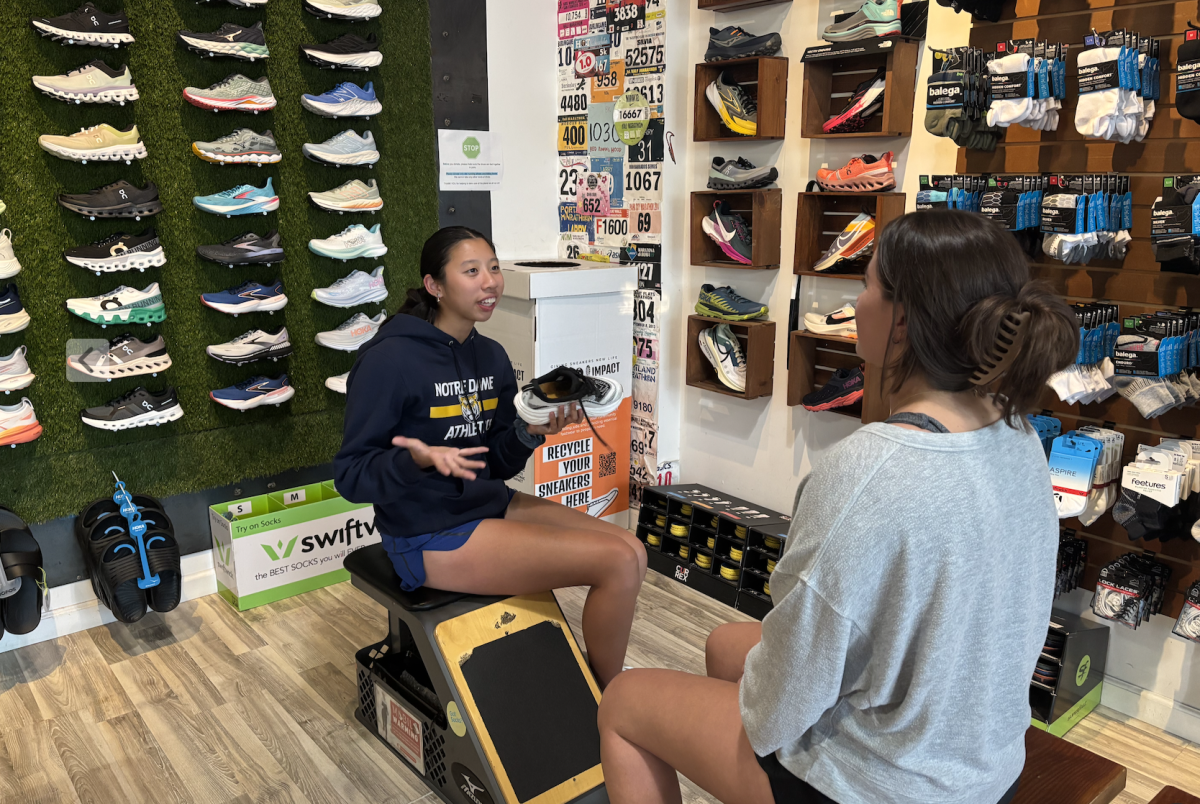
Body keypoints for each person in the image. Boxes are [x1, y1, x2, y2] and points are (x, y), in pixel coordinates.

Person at [596, 210, 1080, 804]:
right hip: (986, 762)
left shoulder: (866, 471)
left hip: (883, 786)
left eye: (868, 283)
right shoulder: (1020, 435)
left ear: (901, 320)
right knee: (727, 644)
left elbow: (779, 708)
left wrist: (759, 703)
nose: (857, 299)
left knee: (624, 703)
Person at [333, 226, 645, 687]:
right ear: (434, 286)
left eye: (494, 268)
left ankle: (591, 690)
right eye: (472, 271)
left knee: (633, 551)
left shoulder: (491, 357)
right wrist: (416, 461)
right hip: (426, 533)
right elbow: (350, 477)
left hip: (488, 505)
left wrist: (529, 432)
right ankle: (608, 702)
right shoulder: (388, 361)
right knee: (615, 563)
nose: (490, 282)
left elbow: (497, 465)